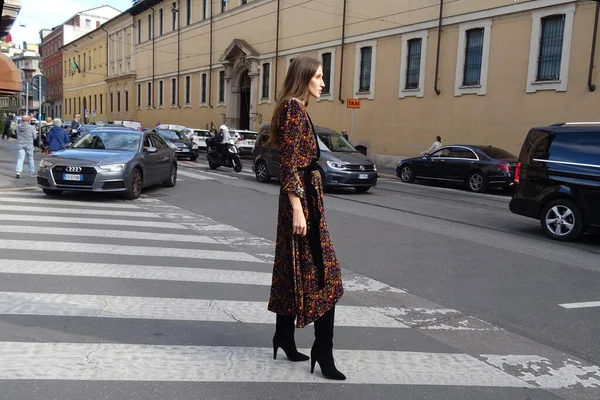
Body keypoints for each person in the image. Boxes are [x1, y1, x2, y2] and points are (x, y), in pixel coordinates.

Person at [267, 55, 345, 380]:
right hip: (303, 205)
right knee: (328, 276)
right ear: (304, 77)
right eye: (319, 76)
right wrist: (298, 208)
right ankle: (322, 350)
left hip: (304, 200)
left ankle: (284, 336)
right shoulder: (293, 110)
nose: (323, 83)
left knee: (291, 268)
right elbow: (288, 163)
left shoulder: (294, 108)